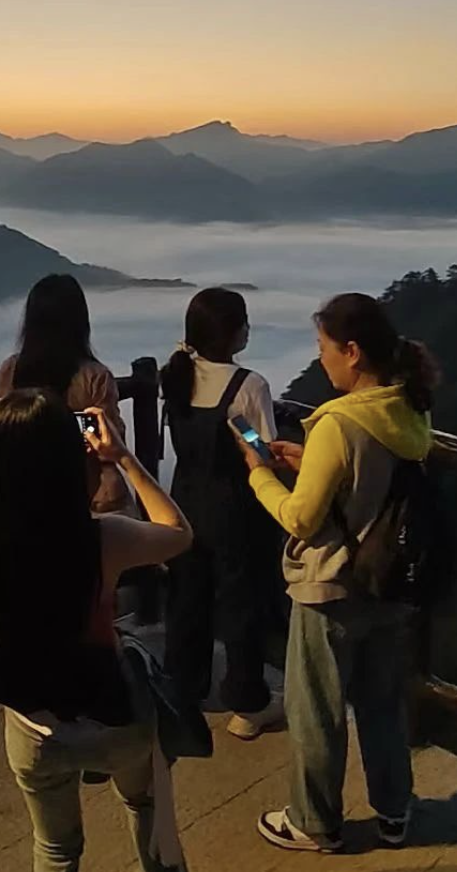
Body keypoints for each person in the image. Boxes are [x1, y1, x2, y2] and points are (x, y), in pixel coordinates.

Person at [0, 389, 193, 872]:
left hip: (34, 724)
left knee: (56, 850)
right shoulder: (105, 537)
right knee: (145, 807)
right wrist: (122, 456)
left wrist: (4, 455)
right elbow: (179, 533)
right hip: (113, 713)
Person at [233, 292, 437, 853]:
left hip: (333, 588)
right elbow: (373, 479)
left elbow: (301, 516)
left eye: (323, 347)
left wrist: (259, 474)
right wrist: (306, 459)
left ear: (351, 351)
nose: (320, 359)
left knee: (317, 709)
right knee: (382, 705)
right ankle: (395, 812)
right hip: (391, 582)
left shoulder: (338, 423)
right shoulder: (409, 407)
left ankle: (314, 822)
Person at [160, 287, 287, 740]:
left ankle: (182, 687)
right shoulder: (249, 385)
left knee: (186, 597)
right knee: (239, 603)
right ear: (231, 333)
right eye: (245, 321)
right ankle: (247, 703)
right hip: (234, 508)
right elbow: (262, 450)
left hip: (182, 501)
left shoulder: (175, 374)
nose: (249, 328)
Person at [0, 274, 131, 516]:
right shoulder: (95, 376)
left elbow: (5, 429)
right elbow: (109, 441)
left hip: (25, 492)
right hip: (90, 494)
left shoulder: (11, 371)